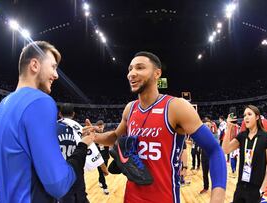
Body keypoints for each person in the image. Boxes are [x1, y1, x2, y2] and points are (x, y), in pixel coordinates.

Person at [84, 51, 226, 203]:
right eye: (130, 69)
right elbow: (114, 137)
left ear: (157, 73)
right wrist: (94, 137)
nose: (131, 73)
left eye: (139, 68)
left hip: (165, 198)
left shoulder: (176, 107)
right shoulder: (130, 108)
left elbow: (214, 150)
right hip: (131, 197)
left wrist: (217, 198)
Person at [0, 41, 94, 202]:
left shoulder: (4, 105)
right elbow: (59, 184)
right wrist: (82, 146)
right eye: (53, 67)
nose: (56, 75)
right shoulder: (40, 102)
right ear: (34, 65)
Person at [222, 105, 267, 203]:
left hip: (255, 188)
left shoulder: (266, 137)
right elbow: (225, 150)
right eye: (245, 115)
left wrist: (262, 189)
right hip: (241, 186)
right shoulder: (242, 136)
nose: (246, 117)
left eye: (249, 114)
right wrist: (228, 128)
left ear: (257, 117)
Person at [57, 104, 104, 203]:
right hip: (76, 176)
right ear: (73, 114)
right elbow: (91, 150)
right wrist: (104, 169)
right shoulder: (79, 128)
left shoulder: (51, 128)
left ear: (60, 114)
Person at [95, 120, 110, 195]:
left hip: (106, 155)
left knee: (104, 172)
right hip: (98, 156)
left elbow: (110, 143)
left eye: (101, 127)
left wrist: (104, 144)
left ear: (103, 126)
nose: (100, 128)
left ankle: (100, 180)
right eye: (99, 127)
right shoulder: (95, 135)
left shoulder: (106, 134)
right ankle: (105, 187)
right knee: (101, 172)